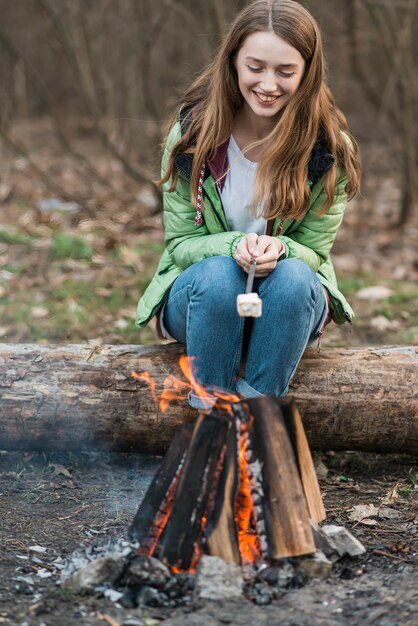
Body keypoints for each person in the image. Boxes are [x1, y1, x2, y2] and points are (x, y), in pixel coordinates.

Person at [135, 0, 361, 411]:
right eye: (255, 67)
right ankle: (212, 416)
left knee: (293, 277)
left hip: (287, 304)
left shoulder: (328, 150)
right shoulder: (193, 134)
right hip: (203, 297)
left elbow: (315, 251)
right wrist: (232, 244)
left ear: (308, 73)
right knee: (222, 275)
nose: (268, 84)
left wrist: (284, 249)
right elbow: (181, 244)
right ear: (234, 62)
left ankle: (257, 421)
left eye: (285, 71)